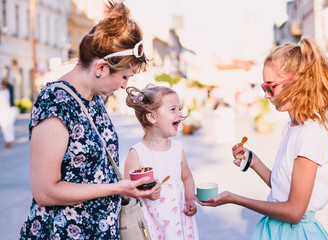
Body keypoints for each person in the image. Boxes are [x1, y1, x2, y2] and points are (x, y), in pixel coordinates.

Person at [19, 1, 161, 239]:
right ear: (102, 67)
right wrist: (116, 188)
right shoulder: (55, 102)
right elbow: (44, 191)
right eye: (124, 76)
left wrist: (128, 190)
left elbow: (92, 175)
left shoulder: (93, 98)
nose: (124, 85)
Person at [197, 37, 328, 239]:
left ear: (296, 83)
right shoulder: (292, 128)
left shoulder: (309, 135)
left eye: (270, 86)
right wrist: (253, 161)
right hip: (279, 229)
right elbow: (282, 189)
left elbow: (294, 212)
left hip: (295, 232)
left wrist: (234, 198)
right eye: (263, 87)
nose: (266, 95)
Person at [124, 85, 199, 240]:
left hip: (180, 221)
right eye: (173, 109)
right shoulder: (138, 153)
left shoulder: (177, 148)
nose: (180, 113)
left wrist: (190, 198)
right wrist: (147, 194)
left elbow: (186, 176)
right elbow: (127, 191)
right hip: (153, 224)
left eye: (180, 108)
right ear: (152, 117)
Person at [0, 78, 17, 148]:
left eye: (4, 84)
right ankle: (8, 140)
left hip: (10, 110)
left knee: (9, 125)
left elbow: (11, 86)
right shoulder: (1, 92)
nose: (3, 86)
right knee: (3, 126)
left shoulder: (9, 90)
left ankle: (10, 140)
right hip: (2, 111)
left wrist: (6, 81)